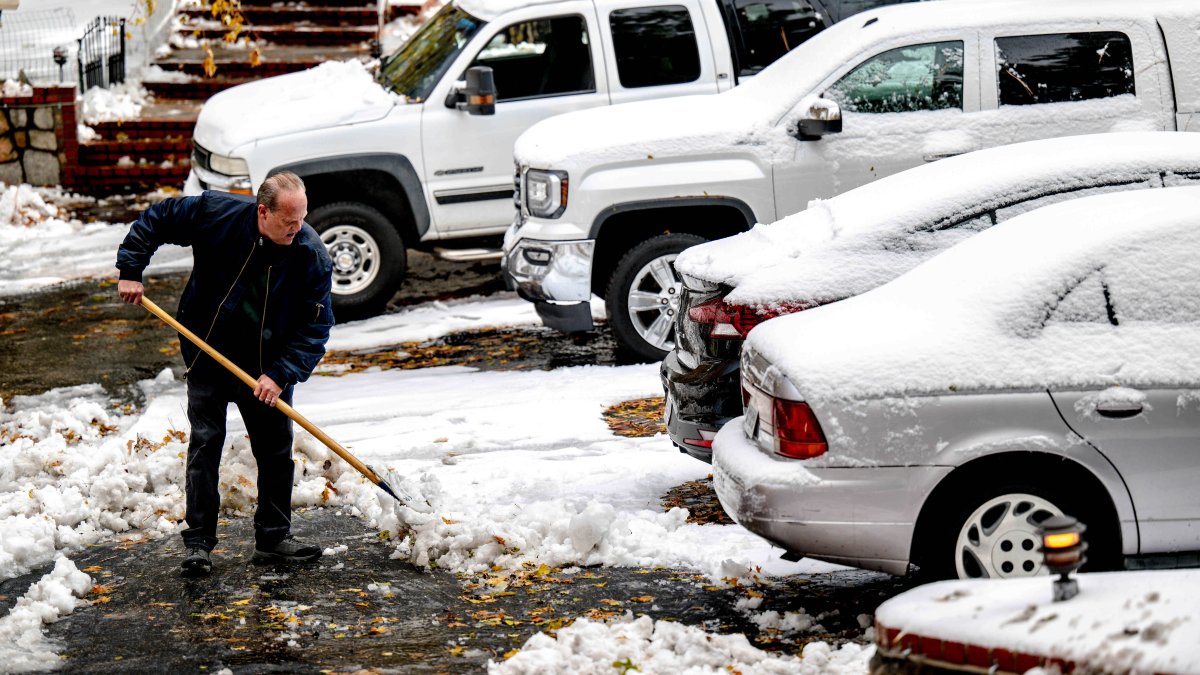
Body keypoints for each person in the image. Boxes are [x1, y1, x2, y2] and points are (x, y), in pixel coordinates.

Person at [116, 172, 334, 578]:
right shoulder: (216, 213)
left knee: (273, 449)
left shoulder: (310, 254)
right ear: (262, 211)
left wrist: (281, 373)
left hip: (266, 367)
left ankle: (273, 539)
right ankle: (199, 543)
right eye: (289, 220)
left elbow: (315, 327)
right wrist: (132, 267)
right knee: (206, 444)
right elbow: (159, 218)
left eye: (302, 218)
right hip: (206, 349)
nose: (298, 228)